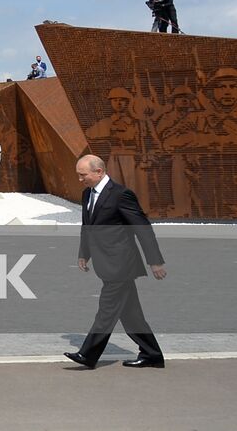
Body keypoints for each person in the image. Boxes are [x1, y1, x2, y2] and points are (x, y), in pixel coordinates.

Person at [65, 155, 166, 370]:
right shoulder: (87, 195)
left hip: (121, 265)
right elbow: (87, 227)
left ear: (99, 172)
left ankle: (88, 354)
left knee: (107, 309)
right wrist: (84, 254)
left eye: (83, 175)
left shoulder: (121, 195)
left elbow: (142, 227)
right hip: (106, 263)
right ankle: (152, 354)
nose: (80, 179)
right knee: (131, 316)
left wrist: (154, 261)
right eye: (78, 175)